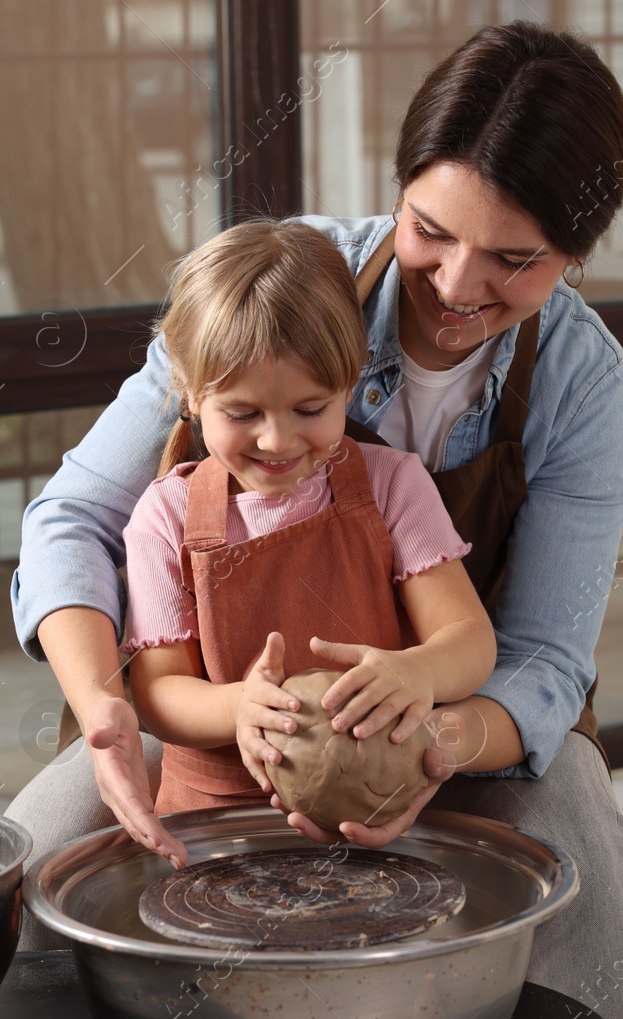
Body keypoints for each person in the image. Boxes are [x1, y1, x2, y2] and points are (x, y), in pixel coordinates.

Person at [8, 20, 623, 1019]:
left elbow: (544, 656)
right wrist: (106, 701)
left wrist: (437, 737)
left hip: (465, 713)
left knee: (588, 872)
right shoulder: (272, 291)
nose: (458, 285)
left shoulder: (582, 383)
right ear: (399, 184)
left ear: (576, 253)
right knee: (28, 875)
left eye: (514, 259)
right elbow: (72, 518)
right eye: (429, 229)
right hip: (206, 721)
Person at [119, 219, 497, 819]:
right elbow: (158, 691)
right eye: (242, 413)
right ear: (191, 393)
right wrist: (237, 708)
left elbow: (471, 641)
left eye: (310, 408)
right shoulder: (166, 517)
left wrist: (416, 671)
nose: (277, 439)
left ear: (350, 383)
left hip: (375, 807)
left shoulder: (392, 485)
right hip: (215, 820)